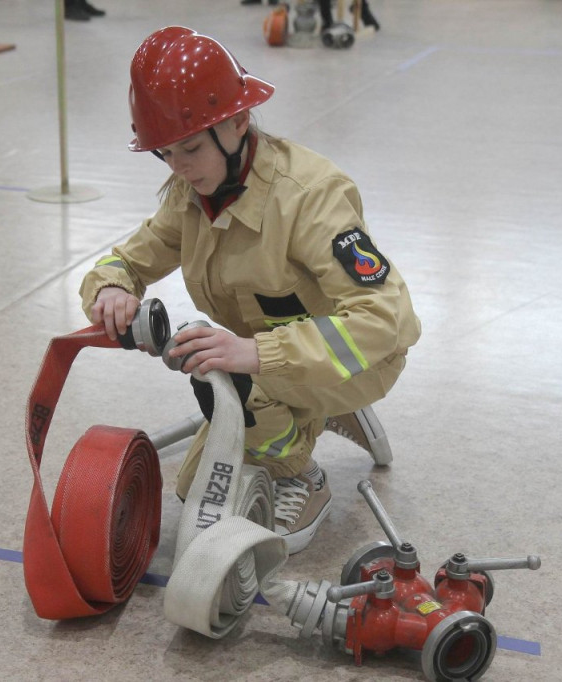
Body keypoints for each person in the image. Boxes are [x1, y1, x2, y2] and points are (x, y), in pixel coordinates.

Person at [80, 27, 420, 554]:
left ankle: (302, 476)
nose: (179, 167)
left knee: (232, 383)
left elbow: (384, 320)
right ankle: (308, 412)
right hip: (275, 355)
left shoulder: (308, 198)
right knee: (195, 490)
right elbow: (126, 258)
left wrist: (253, 353)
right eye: (164, 153)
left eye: (190, 147)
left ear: (238, 121)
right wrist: (110, 289)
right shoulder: (192, 191)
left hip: (361, 359)